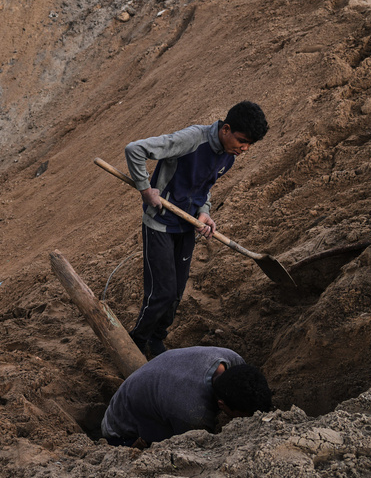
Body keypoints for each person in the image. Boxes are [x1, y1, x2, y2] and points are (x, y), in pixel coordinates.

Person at [125, 101, 269, 360]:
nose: (244, 149)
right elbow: (135, 149)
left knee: (177, 293)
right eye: (242, 141)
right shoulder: (192, 139)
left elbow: (204, 186)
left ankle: (157, 338)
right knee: (162, 292)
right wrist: (145, 189)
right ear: (226, 129)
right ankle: (136, 341)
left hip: (187, 226)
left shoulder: (229, 153)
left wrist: (205, 211)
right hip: (160, 224)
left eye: (250, 144)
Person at [101, 346, 272, 447]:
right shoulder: (192, 414)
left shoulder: (232, 360)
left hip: (151, 384)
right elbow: (197, 447)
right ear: (221, 404)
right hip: (119, 430)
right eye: (243, 417)